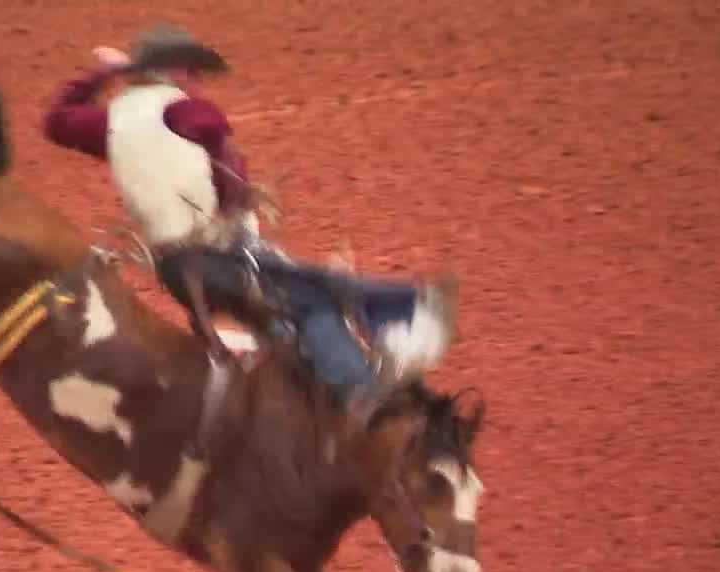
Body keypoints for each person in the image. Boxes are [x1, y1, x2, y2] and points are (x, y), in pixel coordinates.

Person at [41, 24, 459, 426]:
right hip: (220, 258)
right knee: (314, 294)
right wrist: (238, 205)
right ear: (173, 69)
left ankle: (357, 367)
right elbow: (232, 178)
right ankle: (385, 348)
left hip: (179, 273)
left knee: (295, 306)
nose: (199, 81)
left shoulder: (113, 123)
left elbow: (57, 119)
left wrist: (107, 73)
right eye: (193, 71)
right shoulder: (191, 111)